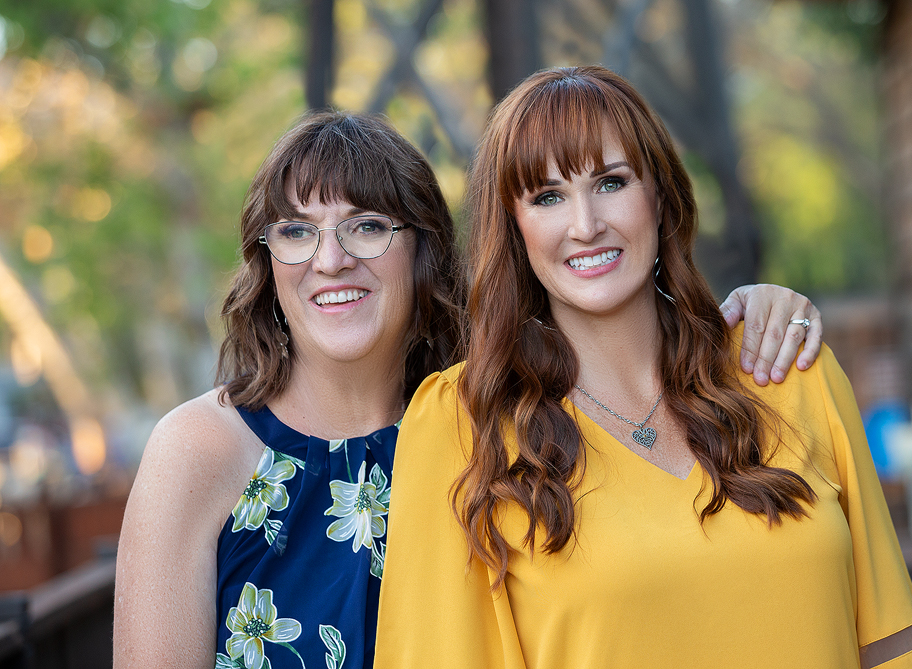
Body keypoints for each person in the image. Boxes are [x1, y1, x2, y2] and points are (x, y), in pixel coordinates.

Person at [112, 110, 819, 669]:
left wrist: (757, 309)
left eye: (366, 225)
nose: (330, 260)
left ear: (424, 250)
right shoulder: (199, 449)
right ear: (267, 260)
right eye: (296, 231)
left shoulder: (494, 426)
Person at [375, 67, 912, 668]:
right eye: (546, 197)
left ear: (660, 194)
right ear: (513, 228)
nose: (586, 225)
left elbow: (894, 645)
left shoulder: (789, 366)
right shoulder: (463, 423)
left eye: (611, 182)